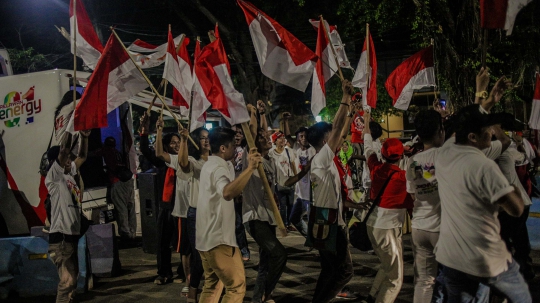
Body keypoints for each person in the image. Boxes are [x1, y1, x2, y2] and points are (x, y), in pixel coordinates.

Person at [434, 104, 531, 302]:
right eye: (487, 129)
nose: (491, 131)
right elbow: (516, 208)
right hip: (479, 258)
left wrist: (484, 100)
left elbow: (457, 132)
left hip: (450, 256)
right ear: (473, 137)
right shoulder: (484, 166)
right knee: (522, 295)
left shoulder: (444, 154)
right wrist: (513, 190)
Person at [197, 127, 262, 303]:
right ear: (223, 148)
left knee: (213, 286)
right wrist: (250, 168)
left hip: (206, 239)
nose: (236, 148)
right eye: (233, 145)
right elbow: (227, 192)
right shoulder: (218, 167)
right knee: (236, 286)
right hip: (219, 240)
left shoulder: (211, 164)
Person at [307, 79, 355, 303]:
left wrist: (350, 114)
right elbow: (336, 129)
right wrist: (345, 97)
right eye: (331, 136)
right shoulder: (322, 159)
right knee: (345, 271)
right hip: (329, 222)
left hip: (325, 218)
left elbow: (341, 132)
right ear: (325, 140)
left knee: (329, 270)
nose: (337, 139)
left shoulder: (322, 159)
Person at [155, 116, 212, 301]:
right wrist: (159, 131)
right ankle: (190, 283)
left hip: (207, 213)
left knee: (204, 251)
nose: (206, 140)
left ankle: (201, 282)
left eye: (207, 137)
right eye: (202, 137)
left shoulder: (213, 161)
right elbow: (161, 155)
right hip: (185, 211)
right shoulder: (185, 161)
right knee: (187, 251)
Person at [362, 109, 414, 303]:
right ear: (401, 157)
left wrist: (366, 121)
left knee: (387, 265)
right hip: (387, 230)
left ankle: (372, 295)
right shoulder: (404, 179)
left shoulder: (375, 167)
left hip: (372, 226)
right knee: (396, 278)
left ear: (382, 154)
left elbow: (367, 146)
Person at [242, 104, 288, 303]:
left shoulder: (269, 160)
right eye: (263, 138)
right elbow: (252, 134)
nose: (267, 139)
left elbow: (262, 132)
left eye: (267, 136)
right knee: (279, 254)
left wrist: (262, 115)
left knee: (265, 262)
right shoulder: (250, 157)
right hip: (254, 217)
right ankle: (264, 294)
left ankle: (259, 297)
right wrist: (253, 114)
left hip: (268, 215)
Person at [140, 113, 189, 286]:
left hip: (182, 207)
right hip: (165, 207)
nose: (176, 145)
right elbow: (146, 150)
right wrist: (145, 132)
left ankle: (185, 272)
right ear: (166, 147)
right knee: (162, 243)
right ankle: (164, 273)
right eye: (173, 143)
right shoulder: (163, 162)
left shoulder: (185, 161)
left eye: (178, 142)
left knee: (184, 243)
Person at [46, 129, 90, 303]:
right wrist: (71, 127)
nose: (70, 161)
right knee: (68, 281)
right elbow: (64, 150)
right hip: (61, 239)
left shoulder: (69, 174)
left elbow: (83, 156)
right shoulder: (54, 177)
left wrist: (84, 137)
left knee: (73, 283)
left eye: (70, 159)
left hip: (71, 237)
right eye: (65, 159)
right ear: (55, 161)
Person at [406, 110, 445, 303]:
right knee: (455, 280)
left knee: (424, 281)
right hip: (442, 228)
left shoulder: (412, 161)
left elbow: (413, 193)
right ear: (440, 131)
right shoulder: (445, 156)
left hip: (419, 226)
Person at [102, 136, 136, 241]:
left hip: (117, 181)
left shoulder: (106, 151)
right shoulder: (118, 152)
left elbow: (92, 154)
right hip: (128, 180)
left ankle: (126, 234)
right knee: (130, 207)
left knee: (121, 209)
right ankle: (132, 232)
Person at [268, 130, 297, 231]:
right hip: (279, 183)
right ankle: (283, 224)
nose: (282, 140)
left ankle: (289, 223)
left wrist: (296, 177)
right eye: (280, 138)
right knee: (282, 206)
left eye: (283, 138)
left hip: (290, 182)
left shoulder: (289, 151)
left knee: (291, 204)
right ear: (275, 141)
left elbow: (293, 164)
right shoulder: (271, 153)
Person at [231, 124, 251, 261]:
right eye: (234, 133)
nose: (237, 135)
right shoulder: (226, 150)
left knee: (243, 223)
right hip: (230, 190)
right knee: (234, 223)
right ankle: (239, 250)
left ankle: (244, 250)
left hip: (242, 190)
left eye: (240, 133)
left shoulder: (245, 151)